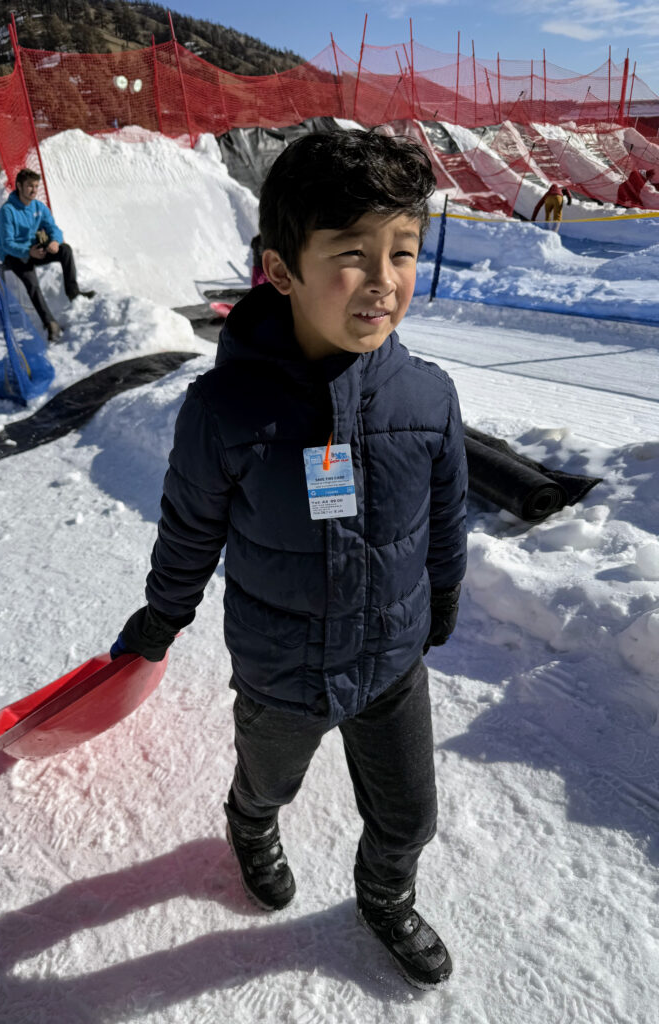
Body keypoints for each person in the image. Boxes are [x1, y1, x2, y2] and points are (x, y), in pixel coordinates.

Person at [110, 130, 468, 990]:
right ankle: (249, 823)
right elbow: (190, 529)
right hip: (281, 669)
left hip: (391, 658)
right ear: (280, 271)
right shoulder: (225, 411)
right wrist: (161, 618)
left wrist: (443, 597)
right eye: (351, 254)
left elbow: (448, 515)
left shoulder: (427, 397)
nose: (383, 280)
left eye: (402, 251)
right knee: (270, 780)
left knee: (411, 815)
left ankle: (384, 898)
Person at [0, 168, 95, 342]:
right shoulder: (8, 211)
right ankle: (50, 323)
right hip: (14, 254)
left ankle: (73, 292)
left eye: (36, 186)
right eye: (29, 186)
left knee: (65, 250)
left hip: (34, 249)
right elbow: (7, 243)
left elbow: (53, 228)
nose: (34, 190)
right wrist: (28, 251)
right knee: (31, 279)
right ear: (19, 186)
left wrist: (55, 241)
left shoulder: (38, 206)